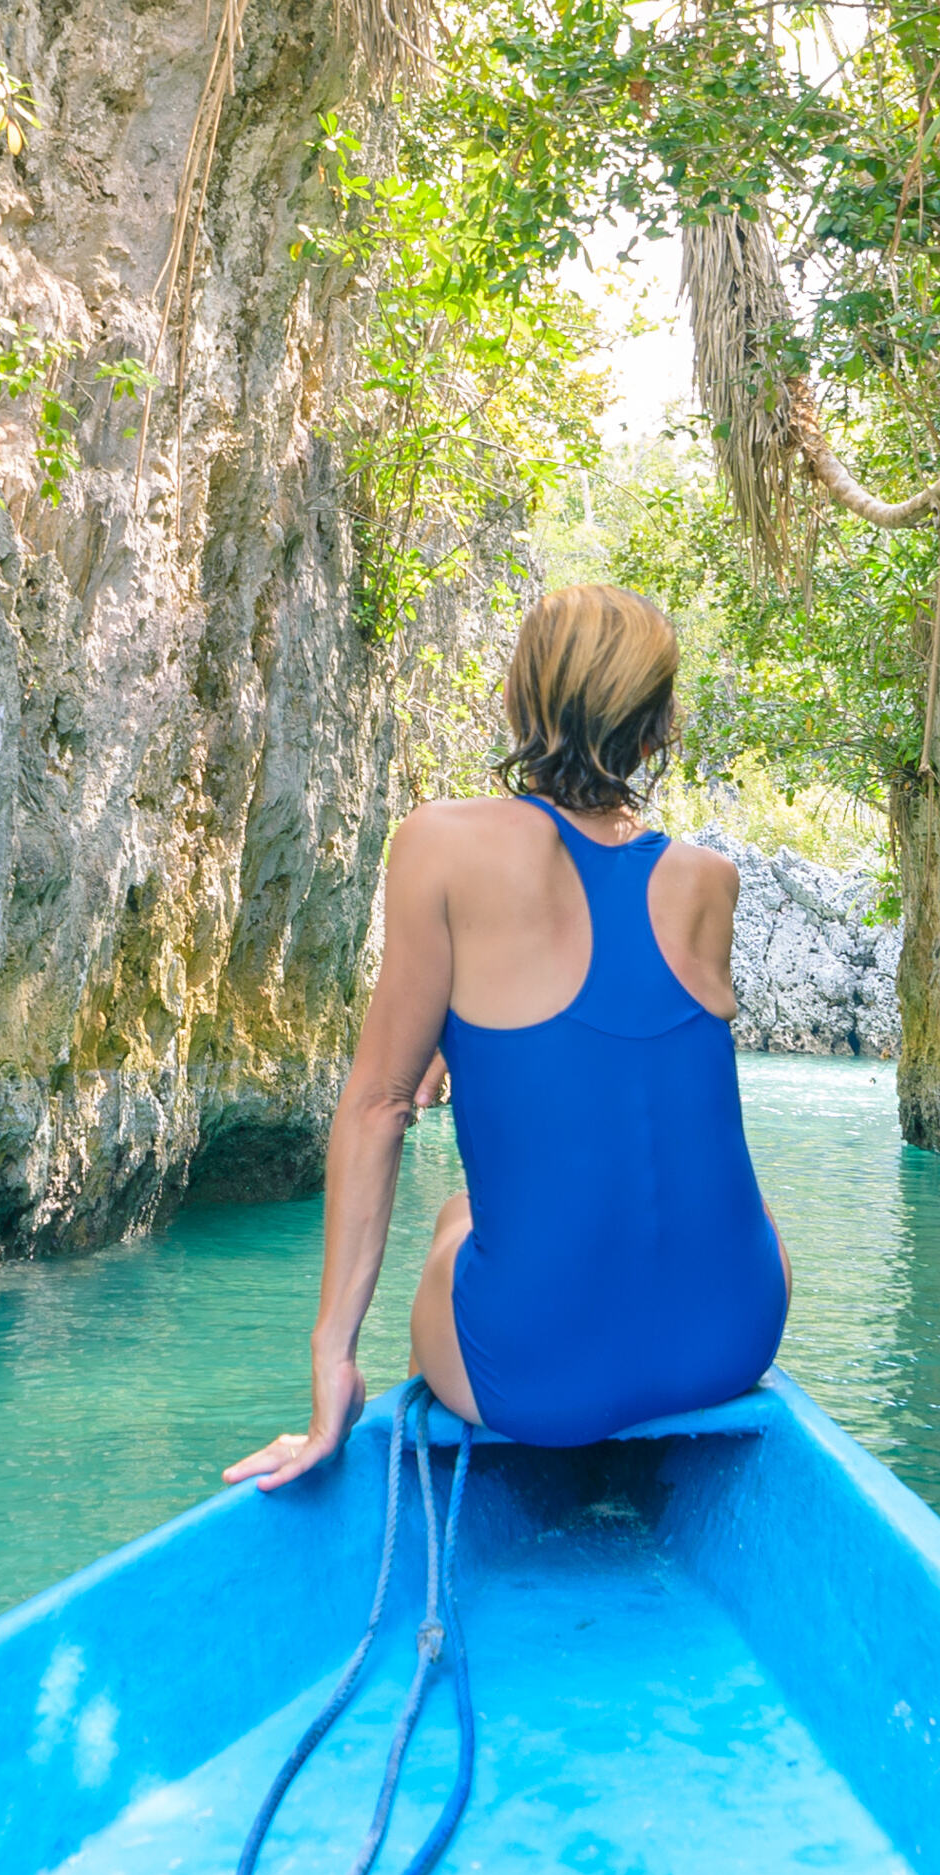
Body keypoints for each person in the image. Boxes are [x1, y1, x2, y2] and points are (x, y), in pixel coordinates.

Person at [228, 584, 788, 1481]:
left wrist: (332, 1356)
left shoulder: (440, 843)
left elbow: (376, 1105)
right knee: (720, 1217)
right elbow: (622, 1044)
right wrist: (464, 1035)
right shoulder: (708, 880)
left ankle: (478, 1497)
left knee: (457, 1219)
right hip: (737, 1333)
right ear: (655, 728)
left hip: (535, 1377)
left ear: (518, 701)